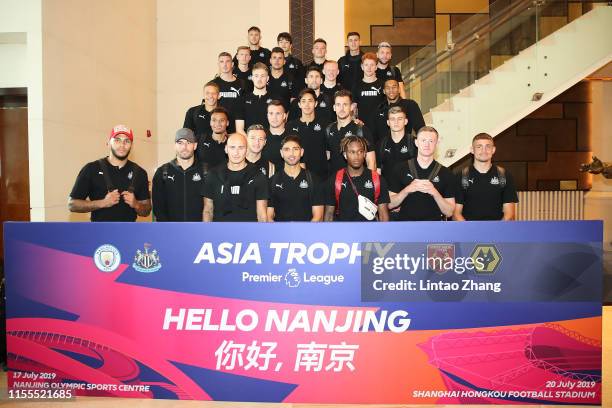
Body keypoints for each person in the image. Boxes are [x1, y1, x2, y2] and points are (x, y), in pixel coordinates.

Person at [69, 124, 151, 221]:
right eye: (117, 140)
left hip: (129, 234)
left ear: (131, 146)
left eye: (127, 141)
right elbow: (72, 204)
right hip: (99, 233)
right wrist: (103, 203)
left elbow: (146, 211)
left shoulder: (140, 173)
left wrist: (136, 204)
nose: (122, 145)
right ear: (108, 143)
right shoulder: (91, 169)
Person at [388, 126, 455, 221]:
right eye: (423, 140)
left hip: (434, 228)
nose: (427, 144)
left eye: (431, 141)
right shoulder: (400, 168)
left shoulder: (446, 173)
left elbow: (449, 212)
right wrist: (407, 189)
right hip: (406, 227)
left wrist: (434, 192)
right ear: (416, 142)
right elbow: (389, 204)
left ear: (437, 143)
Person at [202, 132, 268, 222]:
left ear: (247, 150)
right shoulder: (213, 174)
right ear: (226, 149)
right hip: (220, 234)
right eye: (232, 147)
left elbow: (262, 214)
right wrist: (207, 234)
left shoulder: (258, 176)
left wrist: (261, 235)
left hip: (249, 234)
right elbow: (208, 211)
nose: (236, 152)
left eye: (241, 148)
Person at [454, 133, 518, 221]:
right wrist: (469, 231)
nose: (484, 150)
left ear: (493, 150)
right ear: (472, 150)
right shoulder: (460, 176)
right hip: (469, 231)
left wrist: (497, 231)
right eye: (479, 147)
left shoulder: (504, 175)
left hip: (497, 231)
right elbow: (456, 214)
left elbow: (509, 214)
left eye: (488, 146)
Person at [324, 135, 390, 222]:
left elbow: (383, 215)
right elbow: (328, 215)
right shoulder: (335, 179)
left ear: (365, 154)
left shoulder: (377, 180)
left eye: (360, 151)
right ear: (345, 155)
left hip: (370, 233)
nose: (356, 156)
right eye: (352, 152)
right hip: (343, 232)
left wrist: (383, 234)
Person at [152, 128, 205, 221]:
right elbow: (158, 208)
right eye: (180, 143)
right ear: (174, 146)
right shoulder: (162, 172)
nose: (184, 146)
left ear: (195, 145)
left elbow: (211, 207)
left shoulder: (206, 172)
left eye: (188, 142)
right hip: (171, 232)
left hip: (199, 232)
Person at [268, 136, 325, 222]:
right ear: (281, 153)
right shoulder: (272, 181)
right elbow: (269, 217)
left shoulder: (314, 180)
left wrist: (304, 234)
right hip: (280, 234)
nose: (291, 153)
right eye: (287, 149)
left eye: (295, 149)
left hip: (306, 233)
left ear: (301, 152)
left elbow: (318, 217)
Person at [326, 89, 376, 174]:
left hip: (356, 183)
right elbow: (328, 157)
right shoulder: (329, 129)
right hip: (334, 182)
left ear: (351, 107)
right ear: (334, 108)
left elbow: (371, 163)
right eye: (338, 105)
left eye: (345, 104)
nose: (341, 108)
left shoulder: (361, 130)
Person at [286, 88, 329, 180]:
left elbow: (329, 150)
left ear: (316, 103)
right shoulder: (290, 126)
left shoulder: (325, 125)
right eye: (303, 101)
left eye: (310, 101)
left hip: (321, 176)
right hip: (298, 176)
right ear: (299, 104)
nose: (307, 105)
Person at [376, 106, 417, 181]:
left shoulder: (415, 143)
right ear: (388, 122)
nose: (396, 122)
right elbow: (378, 171)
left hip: (410, 190)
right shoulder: (381, 144)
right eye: (392, 119)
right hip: (387, 190)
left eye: (400, 119)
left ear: (406, 121)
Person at [352, 53, 385, 142]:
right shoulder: (357, 85)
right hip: (363, 127)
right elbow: (353, 107)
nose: (369, 68)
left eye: (372, 65)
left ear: (376, 67)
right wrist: (354, 120)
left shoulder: (382, 85)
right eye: (366, 65)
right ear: (362, 66)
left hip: (381, 128)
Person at [212, 52, 247, 133]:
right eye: (222, 62)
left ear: (232, 64)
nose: (225, 64)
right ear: (218, 64)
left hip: (238, 130)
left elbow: (247, 107)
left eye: (227, 61)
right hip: (219, 129)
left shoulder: (242, 84)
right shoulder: (213, 84)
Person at [241, 62, 273, 129]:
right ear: (252, 78)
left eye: (262, 76)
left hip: (269, 139)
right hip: (248, 139)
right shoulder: (243, 99)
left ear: (267, 78)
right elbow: (240, 129)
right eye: (256, 76)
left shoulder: (275, 100)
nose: (259, 79)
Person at [262, 100, 288, 171]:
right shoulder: (261, 136)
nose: (274, 117)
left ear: (284, 116)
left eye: (278, 113)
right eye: (271, 113)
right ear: (267, 116)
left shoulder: (292, 138)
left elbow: (301, 164)